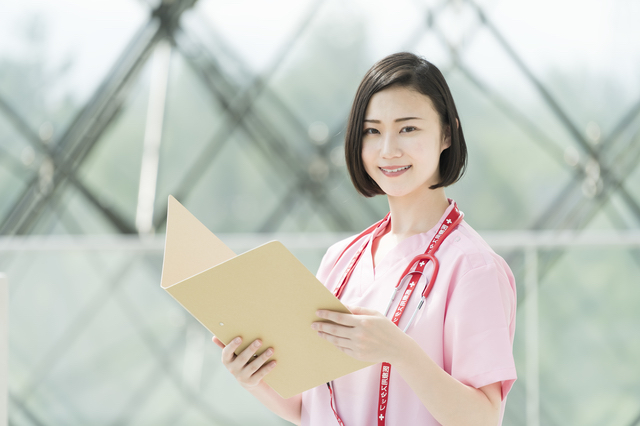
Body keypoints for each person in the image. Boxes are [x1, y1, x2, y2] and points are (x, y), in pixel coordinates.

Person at [212, 52, 517, 426]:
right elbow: (312, 407)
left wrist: (399, 351)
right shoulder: (341, 258)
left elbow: (483, 419)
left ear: (447, 134)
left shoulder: (473, 268)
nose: (388, 149)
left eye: (408, 128)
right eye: (372, 131)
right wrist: (254, 378)